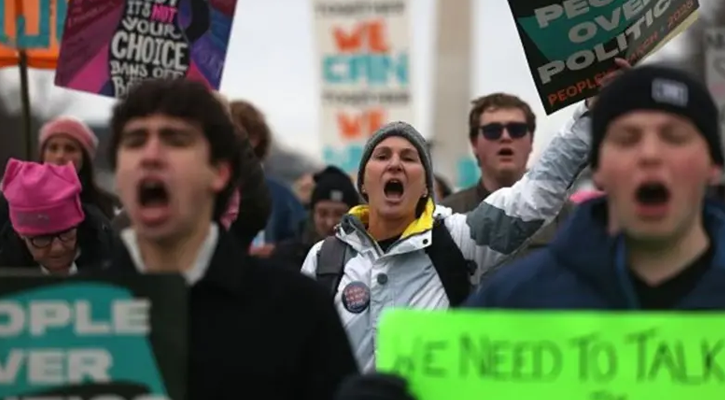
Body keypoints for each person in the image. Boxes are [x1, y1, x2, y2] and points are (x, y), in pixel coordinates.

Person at [301, 81, 595, 370]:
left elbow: (532, 196)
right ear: (364, 183)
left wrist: (590, 113)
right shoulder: (324, 259)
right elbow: (300, 356)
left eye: (408, 158)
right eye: (381, 156)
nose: (395, 164)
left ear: (426, 187)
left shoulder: (457, 240)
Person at [106, 78, 358, 399]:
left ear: (220, 172)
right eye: (135, 140)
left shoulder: (298, 312)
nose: (151, 155)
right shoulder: (67, 314)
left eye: (176, 140)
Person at [467, 65, 725, 310]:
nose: (650, 154)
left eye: (674, 137)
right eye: (627, 139)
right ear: (598, 169)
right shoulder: (513, 300)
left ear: (714, 165)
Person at [440, 93, 575, 263]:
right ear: (474, 144)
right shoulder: (447, 215)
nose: (505, 137)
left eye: (517, 130)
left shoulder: (566, 215)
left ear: (531, 141)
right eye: (492, 131)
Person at [0, 159, 116, 273]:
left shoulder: (109, 257)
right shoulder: (6, 270)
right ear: (21, 234)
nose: (58, 248)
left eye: (66, 233)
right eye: (42, 238)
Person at [230, 100, 307, 256]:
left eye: (241, 133)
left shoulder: (282, 196)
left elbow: (303, 243)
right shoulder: (208, 190)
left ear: (256, 139)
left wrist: (277, 252)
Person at [271, 166, 361, 270]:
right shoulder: (288, 257)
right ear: (312, 214)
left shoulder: (364, 259)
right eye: (323, 214)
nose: (330, 222)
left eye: (339, 214)